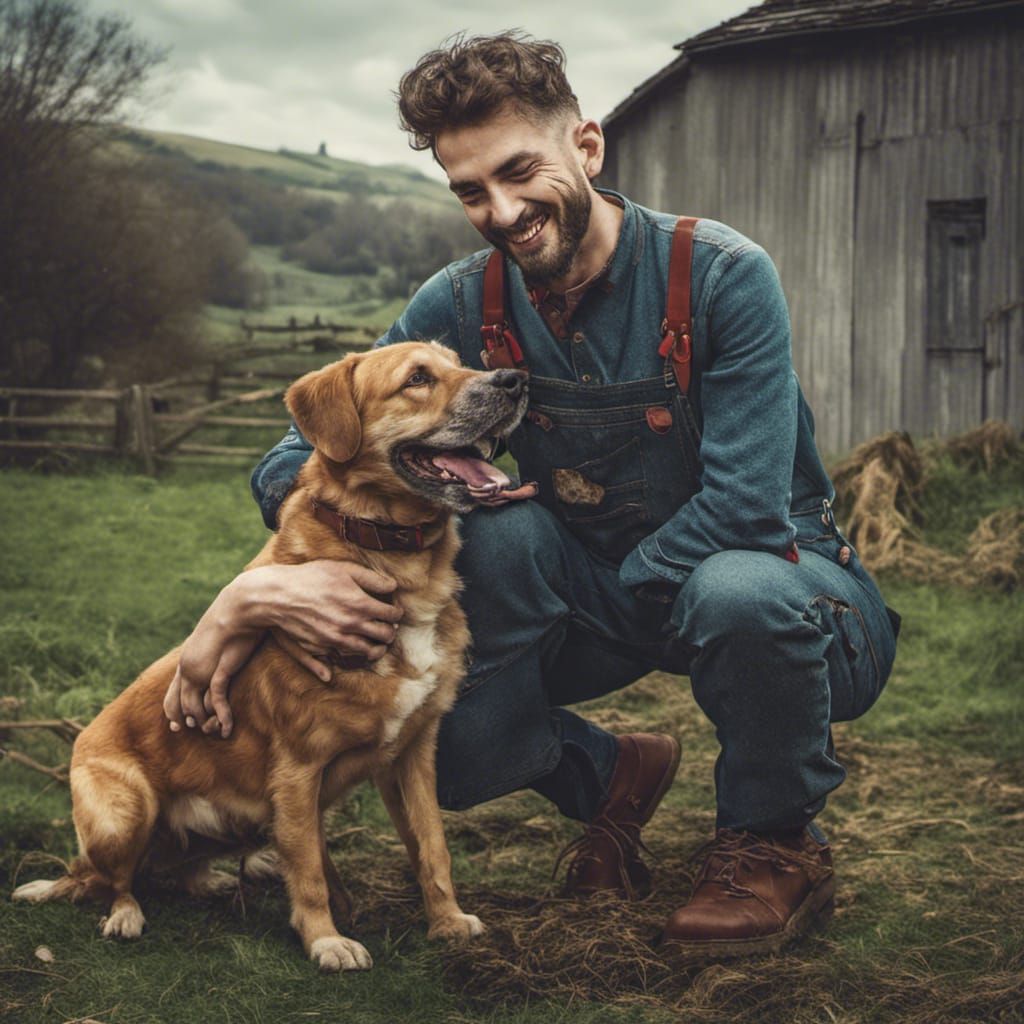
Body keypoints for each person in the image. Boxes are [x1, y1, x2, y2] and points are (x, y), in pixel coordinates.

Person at [164, 32, 899, 958]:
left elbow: (747, 510)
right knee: (455, 739)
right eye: (471, 190)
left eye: (519, 171)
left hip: (793, 597)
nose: (502, 211)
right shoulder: (461, 300)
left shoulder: (720, 275)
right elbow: (302, 452)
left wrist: (608, 584)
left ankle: (773, 842)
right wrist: (258, 589)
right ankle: (608, 776)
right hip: (604, 595)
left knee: (734, 588)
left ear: (586, 147)